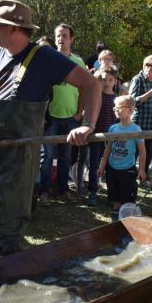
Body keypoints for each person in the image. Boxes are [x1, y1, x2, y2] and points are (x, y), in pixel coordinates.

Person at [0, 0, 101, 255]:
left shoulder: (44, 57)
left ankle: (11, 275)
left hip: (20, 155)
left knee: (8, 219)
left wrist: (87, 125)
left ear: (14, 28)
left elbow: (91, 84)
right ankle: (4, 264)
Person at [38, 23, 87, 203]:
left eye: (65, 36)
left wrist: (79, 112)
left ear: (71, 39)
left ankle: (62, 191)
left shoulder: (78, 62)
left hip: (71, 118)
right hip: (50, 117)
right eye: (58, 35)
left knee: (66, 157)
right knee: (47, 157)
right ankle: (44, 192)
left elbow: (84, 89)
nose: (61, 39)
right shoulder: (47, 60)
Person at [97, 95, 146, 222]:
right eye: (115, 108)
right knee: (115, 197)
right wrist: (102, 166)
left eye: (120, 107)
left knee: (127, 198)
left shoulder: (136, 129)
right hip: (112, 169)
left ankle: (127, 221)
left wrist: (141, 170)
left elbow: (142, 152)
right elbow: (108, 149)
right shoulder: (113, 128)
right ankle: (115, 220)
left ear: (130, 110)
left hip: (127, 170)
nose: (116, 110)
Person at [87, 66, 120, 205]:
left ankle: (112, 195)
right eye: (104, 79)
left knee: (110, 167)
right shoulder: (96, 95)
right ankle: (93, 192)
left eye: (110, 80)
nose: (107, 82)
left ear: (115, 81)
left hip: (111, 138)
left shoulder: (117, 99)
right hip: (96, 135)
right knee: (94, 165)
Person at [129, 54, 152, 175]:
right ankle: (130, 177)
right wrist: (151, 92)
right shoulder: (137, 79)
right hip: (138, 123)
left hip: (151, 123)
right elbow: (131, 102)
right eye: (147, 64)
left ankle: (143, 177)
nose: (149, 67)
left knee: (148, 154)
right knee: (134, 154)